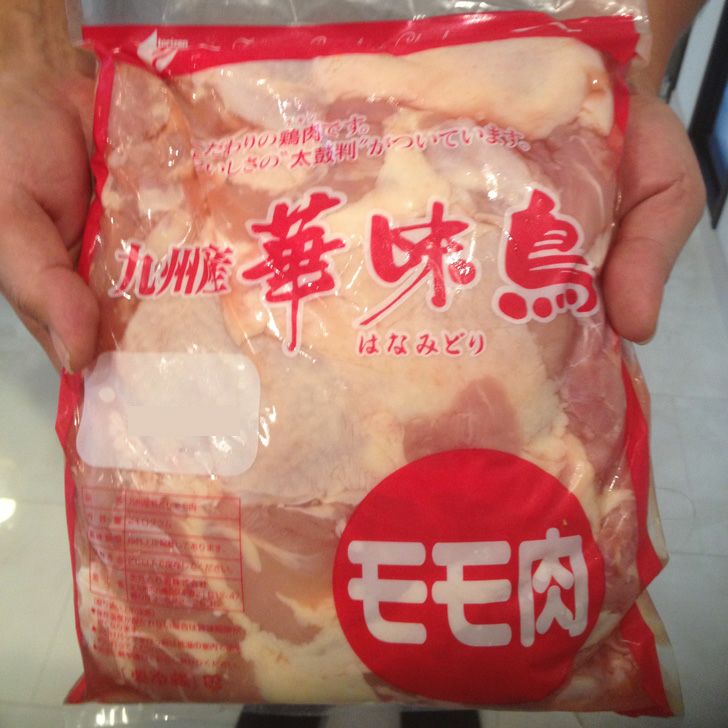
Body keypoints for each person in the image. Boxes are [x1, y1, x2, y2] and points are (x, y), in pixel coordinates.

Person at [0, 1, 708, 726]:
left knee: (462, 580)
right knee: (259, 568)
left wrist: (614, 79)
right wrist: (26, 65)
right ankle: (282, 671)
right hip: (187, 111)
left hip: (515, 93)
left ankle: (437, 679)